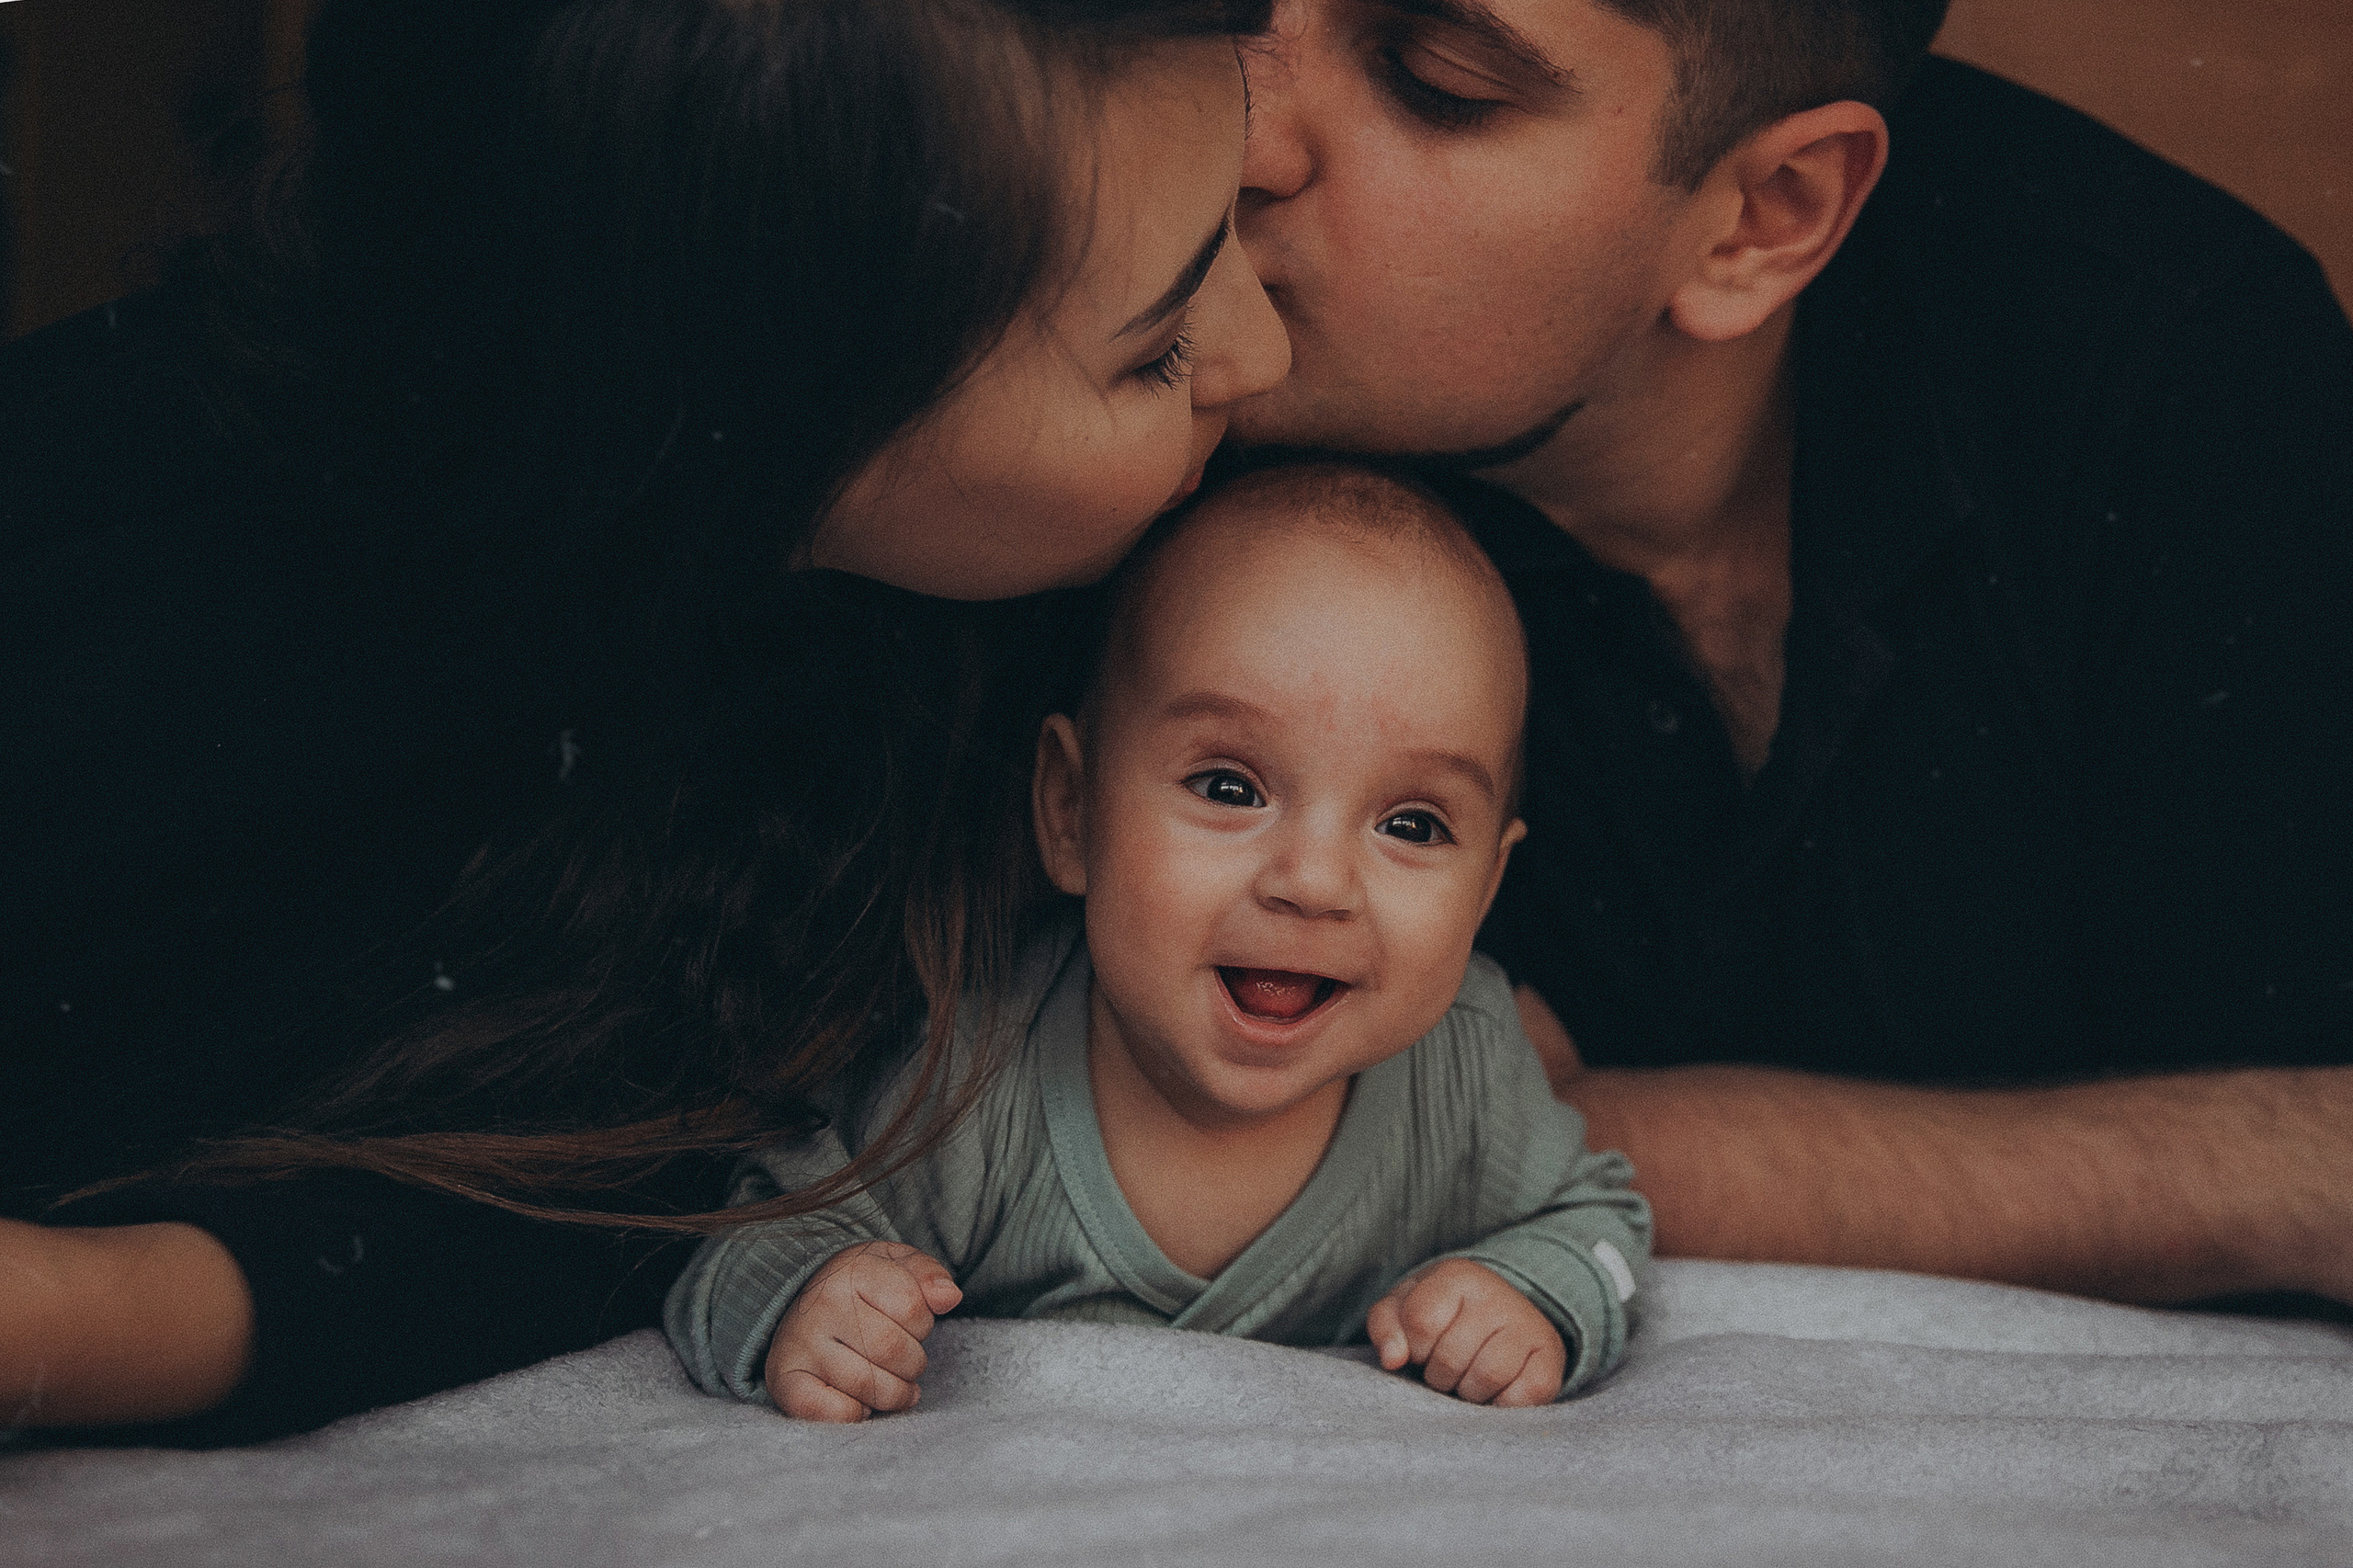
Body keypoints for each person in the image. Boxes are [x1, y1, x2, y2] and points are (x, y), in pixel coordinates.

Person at [0, 0, 1287, 1441]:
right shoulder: (101, 617)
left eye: (1242, 212)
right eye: (1159, 346)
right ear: (761, 428)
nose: (1265, 350)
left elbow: (570, 1206)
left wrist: (73, 1315)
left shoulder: (961, 654)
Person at [1224, 0, 2353, 1305]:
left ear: (1766, 215)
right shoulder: (1156, 322)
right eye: (1224, 11)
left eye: (1434, 80)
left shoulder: (2182, 379)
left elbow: (2323, 1156)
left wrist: (1556, 1127)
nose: (1242, 130)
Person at [664, 463, 1650, 1420]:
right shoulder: (971, 1075)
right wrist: (816, 1299)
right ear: (1069, 809)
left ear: (1486, 890)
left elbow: (1599, 1224)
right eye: (1229, 787)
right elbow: (762, 1224)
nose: (1312, 883)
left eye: (1413, 824)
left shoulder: (1462, 1069)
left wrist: (1528, 1291)